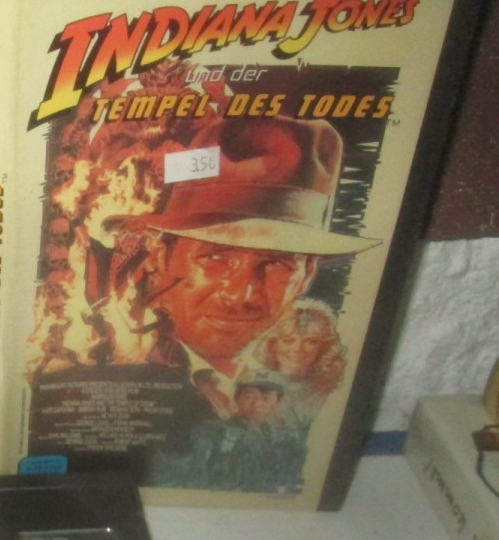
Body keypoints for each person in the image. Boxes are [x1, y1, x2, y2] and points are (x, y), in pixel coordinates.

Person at [106, 116, 379, 392]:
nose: (240, 294)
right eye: (214, 258)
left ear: (307, 274)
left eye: (276, 263)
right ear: (161, 256)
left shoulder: (291, 387)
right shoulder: (109, 354)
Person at [148, 370, 307, 493]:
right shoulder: (213, 433)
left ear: (278, 402)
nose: (257, 404)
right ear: (237, 399)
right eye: (249, 396)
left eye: (266, 397)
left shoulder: (284, 437)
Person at [254, 299, 347, 422]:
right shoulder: (249, 384)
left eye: (310, 341)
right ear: (272, 344)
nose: (298, 349)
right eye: (288, 341)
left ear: (323, 347)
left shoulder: (328, 395)